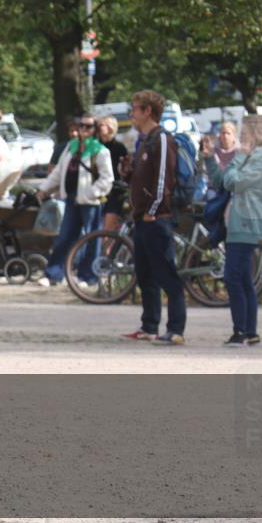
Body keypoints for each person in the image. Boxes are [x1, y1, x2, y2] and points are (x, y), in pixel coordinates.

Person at [120, 90, 187, 346]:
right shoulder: (145, 141)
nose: (132, 114)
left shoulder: (161, 139)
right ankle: (149, 326)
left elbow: (163, 179)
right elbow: (142, 178)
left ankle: (176, 329)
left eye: (135, 109)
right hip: (142, 218)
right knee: (145, 273)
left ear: (148, 111)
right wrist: (127, 174)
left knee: (166, 273)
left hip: (156, 219)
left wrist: (153, 210)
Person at [202, 116, 262, 346]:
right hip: (237, 224)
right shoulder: (253, 158)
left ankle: (241, 330)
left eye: (246, 132)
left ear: (257, 134)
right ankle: (249, 331)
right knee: (242, 279)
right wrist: (209, 160)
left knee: (233, 276)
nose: (242, 136)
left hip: (246, 224)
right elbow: (223, 179)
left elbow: (234, 182)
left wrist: (240, 156)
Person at [37, 113, 113, 287]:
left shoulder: (100, 151)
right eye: (81, 125)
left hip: (90, 201)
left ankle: (89, 276)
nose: (84, 129)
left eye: (89, 126)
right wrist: (43, 189)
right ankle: (53, 274)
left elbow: (107, 179)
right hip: (71, 199)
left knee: (92, 238)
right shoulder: (71, 147)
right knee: (65, 236)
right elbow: (58, 173)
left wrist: (91, 193)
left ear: (95, 130)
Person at [97, 115, 129, 232]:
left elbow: (125, 169)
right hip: (99, 190)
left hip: (115, 191)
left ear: (110, 128)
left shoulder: (119, 147)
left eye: (102, 125)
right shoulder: (95, 146)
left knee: (108, 227)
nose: (99, 128)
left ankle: (107, 248)